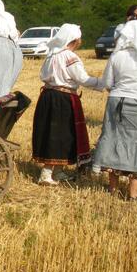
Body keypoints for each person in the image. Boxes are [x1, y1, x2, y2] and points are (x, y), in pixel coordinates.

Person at [31, 24, 102, 185]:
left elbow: (43, 75)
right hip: (62, 98)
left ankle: (58, 171)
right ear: (75, 40)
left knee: (53, 132)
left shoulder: (51, 55)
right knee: (60, 134)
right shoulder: (70, 57)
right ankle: (47, 173)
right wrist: (102, 83)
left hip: (48, 96)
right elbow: (82, 79)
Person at [94, 20, 137, 201]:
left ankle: (113, 189)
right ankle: (133, 193)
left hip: (117, 100)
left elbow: (107, 83)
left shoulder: (117, 56)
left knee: (113, 139)